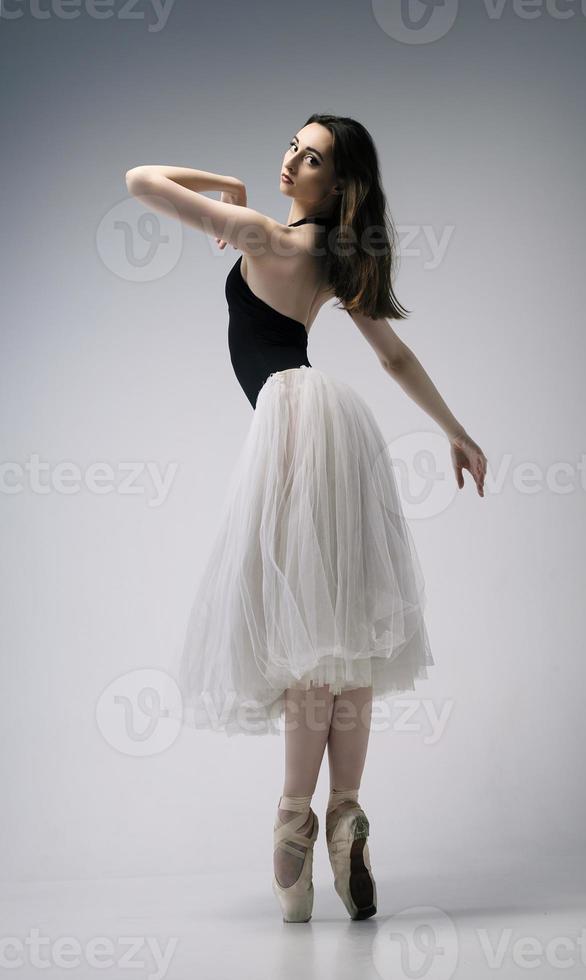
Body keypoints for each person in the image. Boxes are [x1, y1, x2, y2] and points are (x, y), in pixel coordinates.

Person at [125, 113, 487, 923]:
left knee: (304, 637)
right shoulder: (334, 259)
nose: (291, 159)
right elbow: (393, 356)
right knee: (344, 632)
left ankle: (293, 821)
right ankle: (346, 811)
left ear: (337, 184)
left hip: (288, 419)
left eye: (311, 156)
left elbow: (139, 182)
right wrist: (455, 432)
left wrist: (229, 190)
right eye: (292, 144)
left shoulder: (259, 233)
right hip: (341, 424)